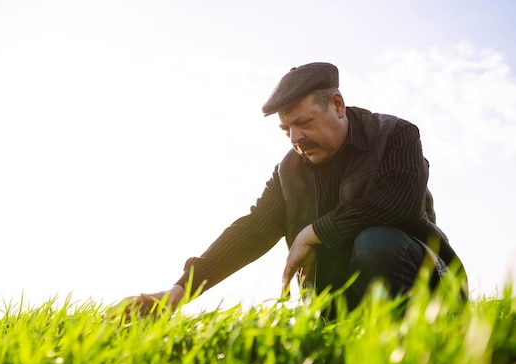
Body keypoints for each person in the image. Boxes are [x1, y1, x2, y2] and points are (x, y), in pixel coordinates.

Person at [124, 62, 467, 314]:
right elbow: (250, 232)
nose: (296, 138)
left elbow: (399, 204)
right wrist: (178, 291)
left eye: (303, 123)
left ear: (337, 105)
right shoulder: (288, 171)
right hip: (343, 302)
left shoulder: (396, 135)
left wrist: (313, 232)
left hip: (431, 289)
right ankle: (340, 337)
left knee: (375, 240)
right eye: (286, 129)